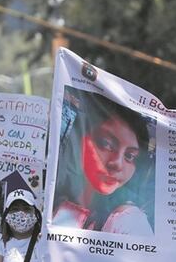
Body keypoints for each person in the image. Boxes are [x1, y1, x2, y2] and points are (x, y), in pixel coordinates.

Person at [51, 90, 153, 235]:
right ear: (81, 138)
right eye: (106, 144)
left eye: (130, 156)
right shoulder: (56, 199)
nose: (117, 163)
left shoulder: (129, 223)